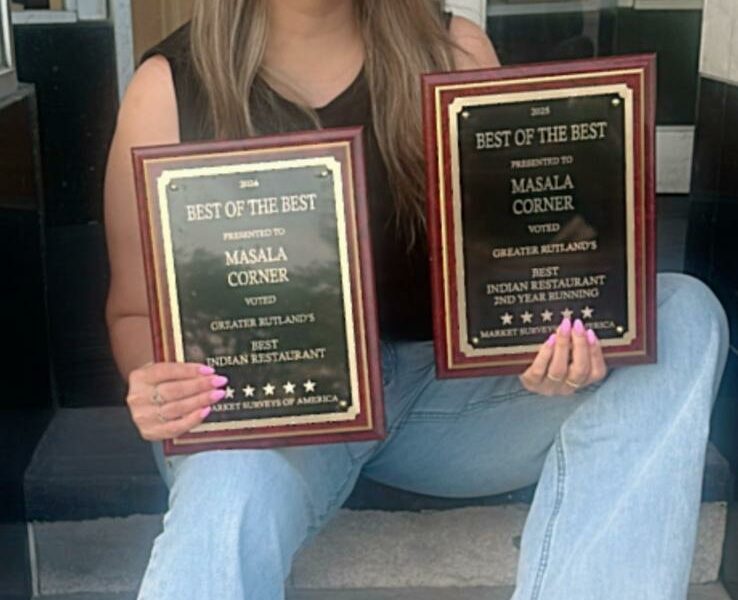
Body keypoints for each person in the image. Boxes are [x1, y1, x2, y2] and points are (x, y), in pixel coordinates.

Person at [104, 1, 729, 599]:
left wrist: (554, 328)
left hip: (446, 402)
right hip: (279, 419)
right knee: (226, 475)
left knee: (681, 314)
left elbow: (518, 249)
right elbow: (133, 310)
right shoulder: (169, 88)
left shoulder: (452, 50)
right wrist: (155, 384)